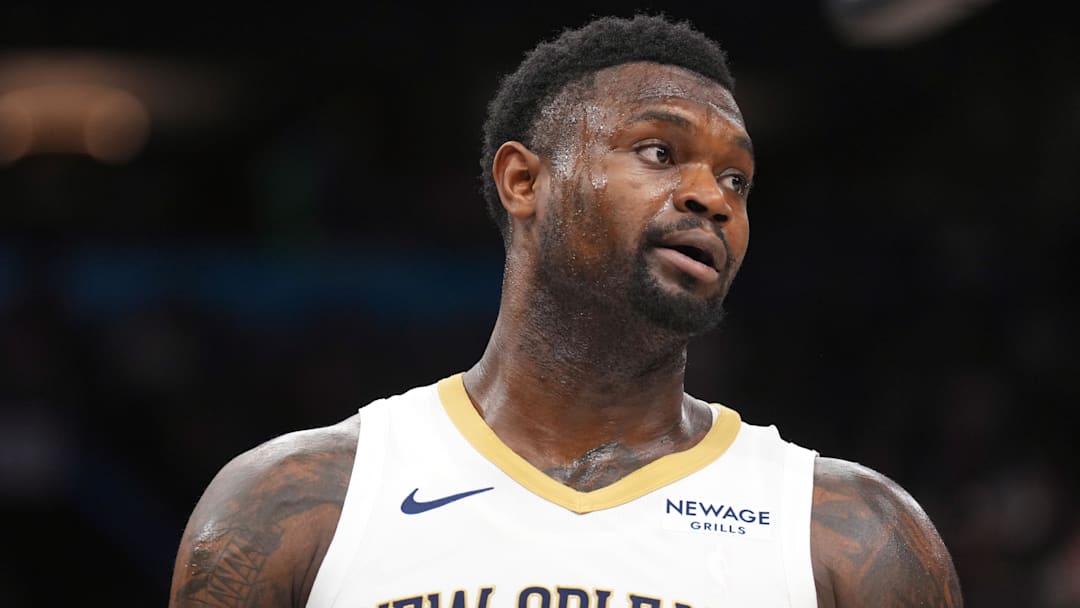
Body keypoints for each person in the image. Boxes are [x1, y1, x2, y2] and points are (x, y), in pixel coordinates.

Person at [169, 13, 963, 607]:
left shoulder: (855, 535)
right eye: (660, 152)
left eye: (738, 181)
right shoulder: (296, 502)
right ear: (525, 182)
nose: (710, 199)